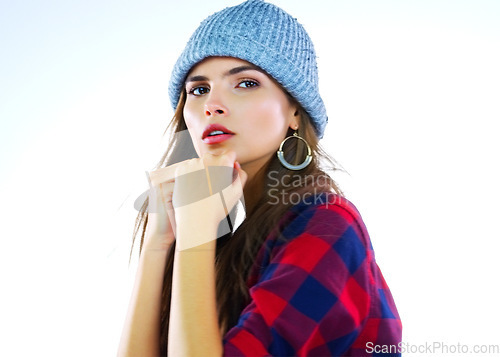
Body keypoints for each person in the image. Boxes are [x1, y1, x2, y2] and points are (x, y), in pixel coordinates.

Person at [118, 0, 402, 356]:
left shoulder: (326, 226)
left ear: (295, 111)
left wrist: (195, 235)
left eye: (246, 83)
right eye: (199, 89)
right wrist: (157, 243)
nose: (212, 105)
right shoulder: (229, 233)